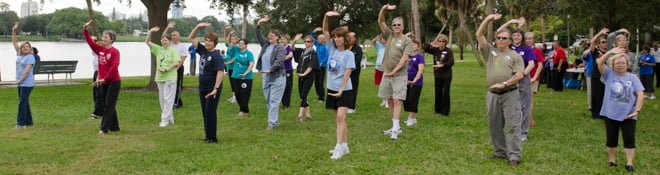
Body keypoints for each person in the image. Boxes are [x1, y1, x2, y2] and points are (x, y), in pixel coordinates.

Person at [476, 14, 525, 166]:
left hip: (510, 94)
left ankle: (514, 156)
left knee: (513, 125)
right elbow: (479, 34)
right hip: (492, 94)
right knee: (494, 125)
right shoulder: (490, 51)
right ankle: (500, 152)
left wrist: (504, 84)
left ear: (510, 41)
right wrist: (489, 18)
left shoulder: (515, 56)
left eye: (504, 38)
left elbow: (519, 75)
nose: (500, 40)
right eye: (498, 38)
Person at [596, 48, 644, 173]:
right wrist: (610, 53)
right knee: (611, 139)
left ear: (628, 64)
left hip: (628, 116)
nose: (620, 65)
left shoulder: (633, 77)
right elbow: (599, 62)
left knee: (629, 139)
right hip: (610, 114)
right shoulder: (608, 74)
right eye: (617, 63)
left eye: (623, 63)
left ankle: (629, 162)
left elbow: (640, 93)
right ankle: (612, 160)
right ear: (613, 65)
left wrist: (637, 110)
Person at [378, 4, 414, 140]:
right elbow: (381, 21)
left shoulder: (407, 40)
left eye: (399, 25)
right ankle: (395, 126)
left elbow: (405, 58)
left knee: (398, 100)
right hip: (386, 74)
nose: (396, 27)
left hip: (399, 75)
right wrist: (383, 9)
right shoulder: (390, 36)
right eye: (394, 25)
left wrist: (393, 71)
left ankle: (395, 129)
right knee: (390, 100)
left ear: (403, 27)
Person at [322, 11, 355, 159]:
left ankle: (338, 148)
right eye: (334, 37)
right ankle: (345, 145)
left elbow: (347, 73)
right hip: (331, 88)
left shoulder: (349, 55)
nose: (336, 39)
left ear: (345, 38)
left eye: (339, 36)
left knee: (341, 117)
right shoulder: (331, 50)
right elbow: (324, 31)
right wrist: (326, 16)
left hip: (345, 90)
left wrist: (341, 89)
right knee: (339, 119)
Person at [497, 18, 535, 141]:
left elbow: (531, 64)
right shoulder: (507, 47)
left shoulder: (526, 49)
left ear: (522, 37)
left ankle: (523, 132)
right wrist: (510, 22)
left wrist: (523, 74)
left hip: (523, 78)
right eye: (514, 35)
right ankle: (511, 129)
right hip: (509, 78)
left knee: (524, 106)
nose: (516, 37)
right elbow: (499, 32)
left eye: (519, 35)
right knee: (510, 105)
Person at [189, 22, 226, 143]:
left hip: (212, 88)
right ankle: (207, 135)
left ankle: (212, 137)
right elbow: (192, 38)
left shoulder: (216, 56)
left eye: (210, 40)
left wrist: (216, 88)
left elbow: (221, 72)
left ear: (214, 42)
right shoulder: (204, 51)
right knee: (205, 112)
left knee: (210, 112)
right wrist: (197, 27)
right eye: (206, 40)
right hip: (203, 87)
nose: (207, 42)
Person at [83, 20, 121, 136]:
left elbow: (114, 66)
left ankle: (104, 129)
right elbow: (90, 43)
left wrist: (105, 78)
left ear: (112, 39)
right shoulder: (100, 50)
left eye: (106, 37)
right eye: (103, 36)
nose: (103, 38)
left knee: (109, 105)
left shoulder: (115, 52)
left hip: (113, 82)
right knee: (107, 104)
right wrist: (85, 30)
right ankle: (115, 127)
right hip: (102, 81)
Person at [145, 26, 181, 127]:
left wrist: (167, 69)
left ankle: (164, 120)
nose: (164, 42)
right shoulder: (158, 49)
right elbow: (147, 42)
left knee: (168, 98)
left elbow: (177, 62)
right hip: (159, 78)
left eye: (166, 40)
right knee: (162, 99)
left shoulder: (173, 50)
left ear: (169, 41)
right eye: (163, 40)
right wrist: (150, 32)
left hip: (170, 77)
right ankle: (169, 118)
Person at [255, 16, 287, 130]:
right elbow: (258, 36)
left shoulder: (280, 48)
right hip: (265, 77)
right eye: (269, 35)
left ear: (277, 38)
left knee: (274, 101)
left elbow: (279, 61)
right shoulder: (265, 45)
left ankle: (271, 123)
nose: (269, 37)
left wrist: (271, 69)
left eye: (272, 36)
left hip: (277, 77)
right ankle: (275, 121)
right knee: (268, 100)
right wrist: (259, 24)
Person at [12, 22, 36, 128]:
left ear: (30, 49)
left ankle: (20, 123)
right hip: (21, 83)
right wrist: (14, 31)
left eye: (27, 46)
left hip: (27, 83)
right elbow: (14, 43)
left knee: (22, 103)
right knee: (24, 102)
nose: (25, 48)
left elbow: (26, 71)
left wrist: (19, 80)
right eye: (23, 47)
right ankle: (29, 122)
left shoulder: (30, 57)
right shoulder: (20, 55)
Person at [424, 33, 454, 116]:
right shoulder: (435, 50)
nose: (441, 43)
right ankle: (438, 110)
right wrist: (431, 43)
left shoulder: (449, 51)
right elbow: (425, 48)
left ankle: (445, 111)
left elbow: (451, 62)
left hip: (447, 75)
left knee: (446, 92)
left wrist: (443, 65)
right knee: (438, 92)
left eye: (443, 41)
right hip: (437, 75)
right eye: (439, 41)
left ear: (445, 42)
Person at [291, 34, 319, 121]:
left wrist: (304, 74)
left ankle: (300, 115)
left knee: (303, 95)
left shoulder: (313, 53)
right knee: (302, 96)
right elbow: (292, 49)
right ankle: (308, 114)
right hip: (301, 76)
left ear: (312, 43)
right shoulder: (303, 51)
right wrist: (294, 40)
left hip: (309, 77)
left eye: (308, 42)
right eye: (305, 41)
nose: (306, 43)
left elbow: (311, 66)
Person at [162, 21, 189, 109]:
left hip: (178, 68)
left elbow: (182, 59)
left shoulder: (182, 46)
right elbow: (163, 36)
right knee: (170, 85)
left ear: (179, 36)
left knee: (177, 86)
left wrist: (176, 68)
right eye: (172, 35)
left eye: (175, 35)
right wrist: (168, 27)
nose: (173, 36)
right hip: (170, 68)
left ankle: (176, 103)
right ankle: (177, 101)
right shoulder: (170, 45)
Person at [588, 28, 610, 119]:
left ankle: (605, 113)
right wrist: (600, 33)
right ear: (599, 44)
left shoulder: (610, 53)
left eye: (606, 42)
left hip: (607, 76)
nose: (605, 43)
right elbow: (592, 41)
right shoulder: (595, 52)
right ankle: (596, 114)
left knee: (606, 95)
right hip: (596, 76)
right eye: (603, 42)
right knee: (596, 95)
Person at [231, 39, 255, 117]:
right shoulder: (236, 51)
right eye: (239, 43)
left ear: (246, 45)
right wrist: (229, 34)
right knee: (237, 93)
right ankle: (245, 110)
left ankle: (242, 110)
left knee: (244, 94)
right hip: (235, 76)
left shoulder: (249, 54)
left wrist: (245, 73)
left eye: (242, 43)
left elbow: (251, 64)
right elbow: (228, 43)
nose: (240, 45)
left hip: (246, 77)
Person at [403, 40, 424, 126]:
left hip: (416, 82)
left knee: (413, 100)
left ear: (418, 47)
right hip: (406, 82)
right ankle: (413, 118)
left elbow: (421, 69)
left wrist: (415, 80)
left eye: (414, 45)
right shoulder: (407, 57)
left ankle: (411, 119)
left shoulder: (419, 57)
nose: (412, 46)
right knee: (407, 100)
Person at [526, 32, 543, 126]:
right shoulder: (522, 50)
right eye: (527, 38)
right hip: (521, 77)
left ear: (533, 40)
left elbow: (540, 65)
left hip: (532, 78)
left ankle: (529, 118)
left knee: (529, 99)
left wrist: (534, 78)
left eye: (530, 38)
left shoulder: (537, 51)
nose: (528, 40)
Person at [310, 27, 329, 102]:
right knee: (316, 82)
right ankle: (319, 96)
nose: (318, 39)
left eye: (320, 38)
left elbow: (327, 56)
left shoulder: (326, 46)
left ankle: (322, 98)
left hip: (322, 67)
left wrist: (321, 63)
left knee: (321, 82)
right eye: (318, 38)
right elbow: (311, 38)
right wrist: (314, 31)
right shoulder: (317, 44)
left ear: (324, 39)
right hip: (316, 66)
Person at [89, 36, 105, 120]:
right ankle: (99, 110)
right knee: (95, 93)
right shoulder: (95, 53)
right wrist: (93, 40)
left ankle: (97, 113)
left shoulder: (102, 54)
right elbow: (91, 46)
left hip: (101, 74)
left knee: (99, 94)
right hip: (96, 73)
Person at [347, 32, 363, 113]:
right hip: (344, 72)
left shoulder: (358, 49)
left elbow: (357, 61)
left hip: (354, 73)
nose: (350, 38)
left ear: (355, 38)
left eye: (351, 37)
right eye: (348, 37)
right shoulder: (345, 48)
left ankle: (352, 107)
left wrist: (350, 69)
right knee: (345, 89)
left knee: (353, 88)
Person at [372, 35, 388, 108]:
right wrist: (377, 38)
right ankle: (383, 100)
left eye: (385, 39)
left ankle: (388, 101)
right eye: (382, 39)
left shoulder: (390, 46)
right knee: (380, 84)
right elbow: (373, 42)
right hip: (378, 67)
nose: (383, 40)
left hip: (386, 68)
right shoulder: (379, 46)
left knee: (386, 84)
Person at [224, 29, 238, 103]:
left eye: (233, 39)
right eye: (231, 39)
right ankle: (233, 96)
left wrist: (227, 62)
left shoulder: (235, 47)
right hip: (229, 67)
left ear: (236, 40)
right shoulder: (229, 46)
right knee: (231, 82)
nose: (231, 40)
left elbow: (235, 58)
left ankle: (236, 97)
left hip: (233, 67)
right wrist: (228, 33)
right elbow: (226, 40)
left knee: (234, 82)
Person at [281, 33, 294, 109]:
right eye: (282, 39)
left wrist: (281, 58)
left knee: (288, 87)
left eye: (284, 39)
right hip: (281, 70)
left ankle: (287, 104)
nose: (283, 40)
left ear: (287, 40)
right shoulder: (280, 47)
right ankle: (283, 103)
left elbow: (290, 56)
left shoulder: (289, 48)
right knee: (281, 86)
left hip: (288, 70)